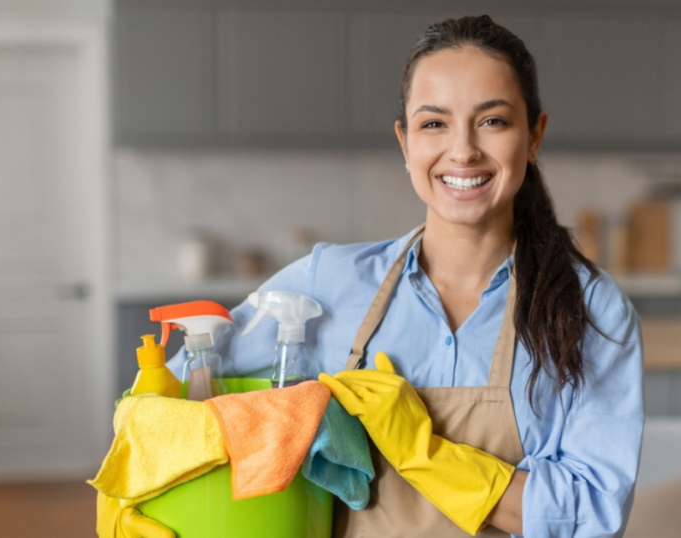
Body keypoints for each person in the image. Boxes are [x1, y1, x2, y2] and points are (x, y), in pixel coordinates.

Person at [171, 14, 644, 537]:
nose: (462, 150)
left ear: (534, 135)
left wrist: (426, 454)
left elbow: (593, 517)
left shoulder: (589, 308)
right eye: (434, 123)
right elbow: (177, 402)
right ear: (405, 142)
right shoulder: (328, 284)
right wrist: (151, 503)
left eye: (493, 121)